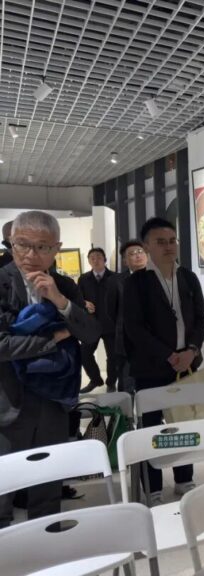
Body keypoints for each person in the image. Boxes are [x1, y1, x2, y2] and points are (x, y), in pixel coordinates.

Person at [0, 211, 100, 528]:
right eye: (22, 244)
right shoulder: (1, 282)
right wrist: (52, 339)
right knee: (2, 489)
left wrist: (59, 301)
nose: (31, 255)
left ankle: (49, 547)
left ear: (56, 248)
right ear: (10, 243)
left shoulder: (65, 285)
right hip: (7, 402)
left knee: (48, 487)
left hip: (54, 403)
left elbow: (90, 333)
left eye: (42, 247)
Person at [123, 218, 204, 505]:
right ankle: (153, 486)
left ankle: (184, 478)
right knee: (152, 429)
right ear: (147, 246)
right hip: (152, 367)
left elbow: (200, 319)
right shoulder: (136, 283)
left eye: (172, 241)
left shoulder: (188, 277)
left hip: (188, 364)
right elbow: (134, 328)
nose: (168, 246)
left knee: (183, 423)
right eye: (160, 242)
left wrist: (191, 350)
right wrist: (168, 355)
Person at [104, 240, 147, 393]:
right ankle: (127, 409)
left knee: (152, 387)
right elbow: (111, 311)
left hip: (154, 343)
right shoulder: (116, 281)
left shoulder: (157, 277)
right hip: (127, 344)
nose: (137, 256)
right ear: (125, 261)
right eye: (132, 254)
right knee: (127, 385)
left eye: (140, 252)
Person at [78, 247, 116, 393]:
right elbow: (77, 298)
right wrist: (84, 303)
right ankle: (95, 380)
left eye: (99, 257)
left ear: (104, 259)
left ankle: (111, 383)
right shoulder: (83, 279)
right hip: (91, 324)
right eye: (92, 258)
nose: (95, 260)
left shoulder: (115, 277)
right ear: (89, 261)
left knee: (113, 356)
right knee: (84, 353)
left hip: (111, 324)